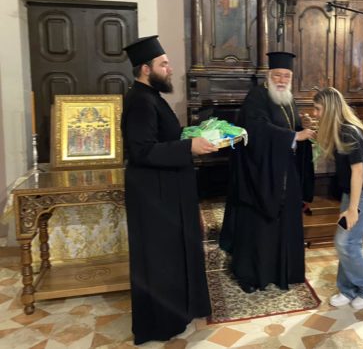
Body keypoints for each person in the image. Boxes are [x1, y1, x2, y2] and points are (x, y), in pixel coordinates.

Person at [121, 36, 218, 345]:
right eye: (164, 64)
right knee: (162, 262)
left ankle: (179, 313)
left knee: (173, 258)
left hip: (166, 194)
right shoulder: (140, 100)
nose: (170, 68)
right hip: (155, 199)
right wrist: (189, 147)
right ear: (146, 68)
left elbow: (163, 139)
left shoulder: (151, 96)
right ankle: (161, 325)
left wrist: (190, 136)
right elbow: (142, 151)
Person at [219, 51, 315, 293]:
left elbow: (291, 127)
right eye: (277, 75)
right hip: (260, 176)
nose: (282, 80)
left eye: (286, 76)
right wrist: (294, 136)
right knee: (259, 228)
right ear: (269, 76)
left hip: (284, 171)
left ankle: (282, 272)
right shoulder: (257, 96)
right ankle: (252, 275)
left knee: (284, 224)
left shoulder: (289, 100)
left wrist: (302, 128)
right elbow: (256, 129)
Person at [313, 87, 363, 310]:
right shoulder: (339, 129)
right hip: (353, 192)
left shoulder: (349, 132)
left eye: (317, 109)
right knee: (348, 242)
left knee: (347, 242)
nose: (315, 113)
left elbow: (358, 172)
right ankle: (347, 289)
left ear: (329, 109)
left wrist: (353, 208)